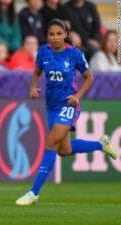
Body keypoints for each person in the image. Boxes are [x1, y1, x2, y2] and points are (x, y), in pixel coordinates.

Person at [15, 19, 118, 206]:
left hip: (69, 105)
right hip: (51, 105)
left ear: (65, 35)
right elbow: (37, 72)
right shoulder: (44, 52)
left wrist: (77, 96)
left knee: (51, 141)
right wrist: (33, 87)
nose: (55, 38)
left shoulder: (74, 54)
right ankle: (101, 145)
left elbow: (89, 77)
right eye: (51, 34)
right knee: (64, 150)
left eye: (58, 34)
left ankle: (33, 193)